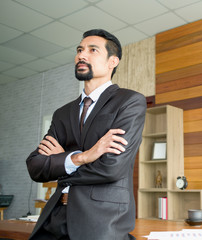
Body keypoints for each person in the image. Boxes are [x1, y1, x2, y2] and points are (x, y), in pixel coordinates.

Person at [26, 29, 146, 240]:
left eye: (93, 50)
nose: (82, 55)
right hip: (53, 219)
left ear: (113, 61)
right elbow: (35, 166)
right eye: (80, 50)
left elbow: (112, 167)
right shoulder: (62, 113)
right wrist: (83, 156)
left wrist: (61, 161)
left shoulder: (129, 101)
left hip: (100, 221)